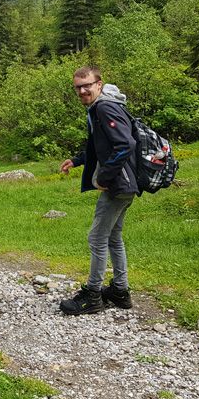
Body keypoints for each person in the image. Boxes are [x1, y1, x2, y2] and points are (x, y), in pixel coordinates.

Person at [58, 65, 139, 316]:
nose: (82, 91)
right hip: (126, 183)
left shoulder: (104, 107)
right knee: (113, 237)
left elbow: (125, 144)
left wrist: (104, 176)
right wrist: (79, 160)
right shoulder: (102, 107)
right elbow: (101, 145)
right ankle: (120, 292)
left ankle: (93, 296)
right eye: (78, 87)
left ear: (99, 84)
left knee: (96, 238)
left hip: (118, 184)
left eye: (87, 85)